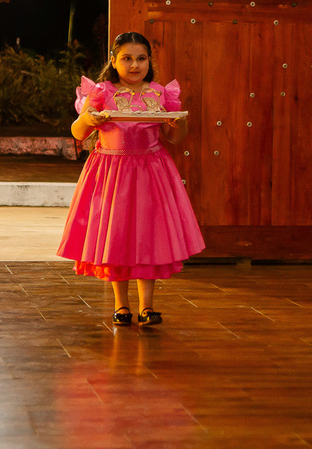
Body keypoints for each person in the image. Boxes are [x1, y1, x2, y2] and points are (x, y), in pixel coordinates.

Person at [58, 32, 203, 326]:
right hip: (111, 172)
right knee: (117, 233)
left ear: (149, 61)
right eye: (127, 58)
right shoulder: (101, 92)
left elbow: (174, 137)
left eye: (141, 58)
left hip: (151, 171)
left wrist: (180, 123)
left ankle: (147, 306)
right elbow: (78, 132)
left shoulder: (159, 93)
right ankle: (120, 304)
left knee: (148, 234)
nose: (134, 65)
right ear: (113, 61)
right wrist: (88, 119)